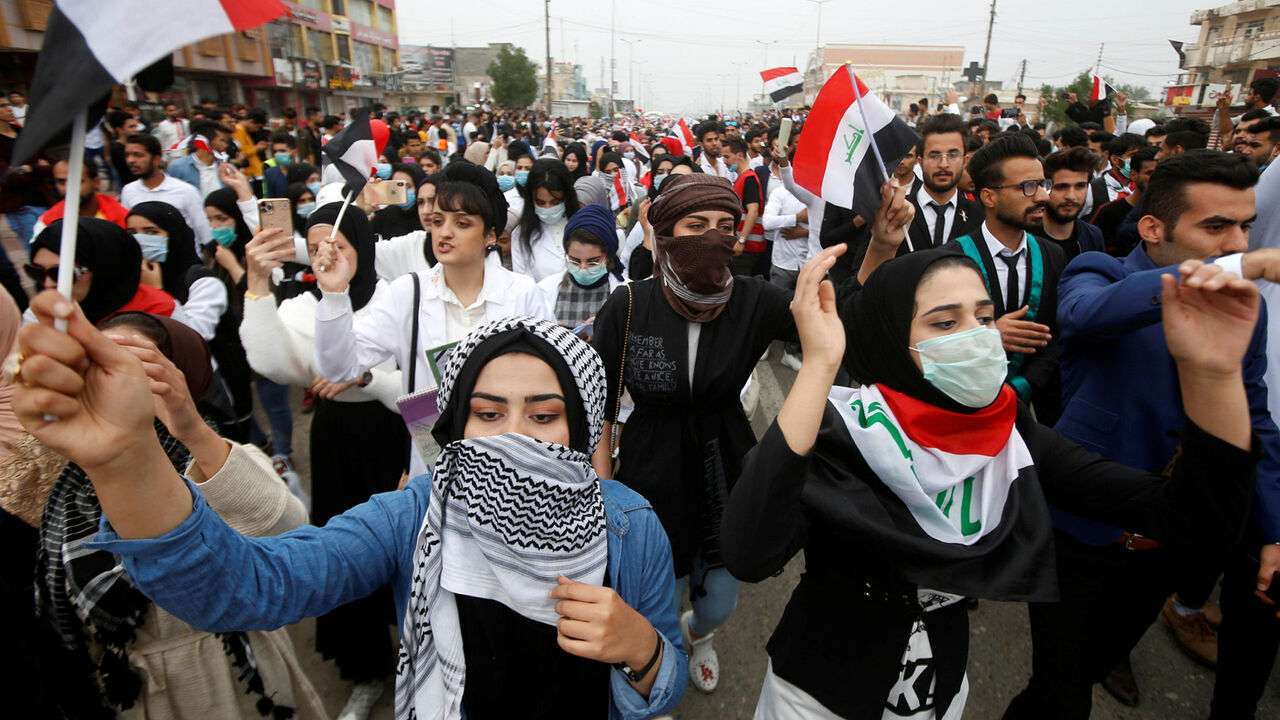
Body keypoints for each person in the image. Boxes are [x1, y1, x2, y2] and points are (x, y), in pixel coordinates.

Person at [13, 300, 689, 720]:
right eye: (488, 414)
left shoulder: (628, 526)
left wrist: (641, 650)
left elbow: (666, 678)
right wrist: (127, 457)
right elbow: (250, 587)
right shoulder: (413, 516)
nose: (514, 435)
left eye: (544, 415)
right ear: (457, 426)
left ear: (582, 428)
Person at [722, 230, 1259, 719]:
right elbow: (750, 552)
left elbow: (1193, 520)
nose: (978, 337)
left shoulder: (1012, 436)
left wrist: (1215, 374)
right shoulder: (841, 432)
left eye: (983, 317)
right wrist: (818, 367)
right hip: (819, 694)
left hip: (940, 691)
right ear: (891, 336)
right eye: (945, 322)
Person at [1007, 149, 1280, 720]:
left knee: (1097, 659)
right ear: (1153, 229)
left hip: (1166, 543)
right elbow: (1088, 315)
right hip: (1079, 533)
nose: (1236, 242)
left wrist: (1273, 532)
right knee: (1061, 695)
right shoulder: (1099, 272)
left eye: (1245, 227)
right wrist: (1243, 268)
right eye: (1215, 226)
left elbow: (1255, 419)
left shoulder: (1243, 311)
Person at [27, 310, 324, 718]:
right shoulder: (71, 482)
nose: (110, 380)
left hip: (232, 682)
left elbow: (290, 529)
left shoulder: (209, 458)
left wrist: (190, 428)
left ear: (179, 375)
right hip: (133, 694)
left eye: (132, 365)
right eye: (93, 364)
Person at [589, 173, 809, 695]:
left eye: (724, 227)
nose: (712, 238)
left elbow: (833, 322)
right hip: (648, 463)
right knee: (658, 590)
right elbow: (598, 403)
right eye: (695, 225)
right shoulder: (630, 304)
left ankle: (700, 636)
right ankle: (658, 673)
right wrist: (603, 484)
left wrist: (879, 250)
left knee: (720, 599)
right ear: (666, 232)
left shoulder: (754, 300)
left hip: (725, 459)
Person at [241, 205, 408, 718]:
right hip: (336, 439)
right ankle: (365, 670)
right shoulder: (301, 306)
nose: (325, 255)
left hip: (396, 434)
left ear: (362, 243)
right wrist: (256, 283)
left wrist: (367, 380)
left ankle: (420, 655)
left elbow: (428, 393)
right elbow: (271, 361)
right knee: (345, 550)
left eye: (337, 243)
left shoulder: (400, 299)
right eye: (314, 247)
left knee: (407, 547)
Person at [312, 162, 553, 478]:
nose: (445, 232)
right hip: (434, 464)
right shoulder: (408, 293)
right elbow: (339, 368)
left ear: (491, 235)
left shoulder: (522, 294)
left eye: (462, 223)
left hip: (510, 459)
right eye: (438, 221)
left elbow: (548, 380)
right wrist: (333, 296)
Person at [941, 134, 1066, 425]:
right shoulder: (951, 259)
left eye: (1043, 184)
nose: (1043, 197)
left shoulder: (1052, 255)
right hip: (963, 406)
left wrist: (1025, 385)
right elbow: (933, 337)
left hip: (1032, 407)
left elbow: (1057, 335)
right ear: (989, 197)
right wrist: (987, 335)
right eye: (1028, 188)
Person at [27, 218, 186, 325]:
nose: (48, 284)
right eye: (38, 273)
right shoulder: (39, 314)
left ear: (103, 268)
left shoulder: (161, 312)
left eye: (61, 273)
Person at [537, 203, 627, 329]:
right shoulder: (544, 290)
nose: (583, 268)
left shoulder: (627, 294)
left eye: (593, 262)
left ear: (608, 256)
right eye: (575, 261)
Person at [120, 133, 213, 250]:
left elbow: (203, 231)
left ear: (156, 159)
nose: (131, 160)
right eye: (127, 155)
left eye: (138, 155)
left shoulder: (185, 191)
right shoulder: (128, 191)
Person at [31, 153, 130, 240]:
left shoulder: (124, 216)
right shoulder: (47, 223)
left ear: (96, 182)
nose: (68, 188)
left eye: (76, 181)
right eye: (61, 182)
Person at [512, 159, 580, 282]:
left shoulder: (582, 226)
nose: (548, 208)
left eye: (555, 202)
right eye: (541, 202)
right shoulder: (520, 235)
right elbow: (524, 283)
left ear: (566, 197)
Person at [1037, 147, 1106, 262]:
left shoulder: (1093, 236)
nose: (1071, 196)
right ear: (1045, 188)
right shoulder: (1024, 237)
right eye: (1061, 187)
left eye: (1080, 186)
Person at [1088, 147, 1157, 257]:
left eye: (1160, 172)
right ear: (1134, 174)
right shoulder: (1109, 212)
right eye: (1150, 173)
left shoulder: (1169, 211)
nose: (1156, 177)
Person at [370, 163, 428, 241]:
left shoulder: (427, 217)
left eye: (407, 186)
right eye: (396, 186)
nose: (401, 191)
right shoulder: (386, 215)